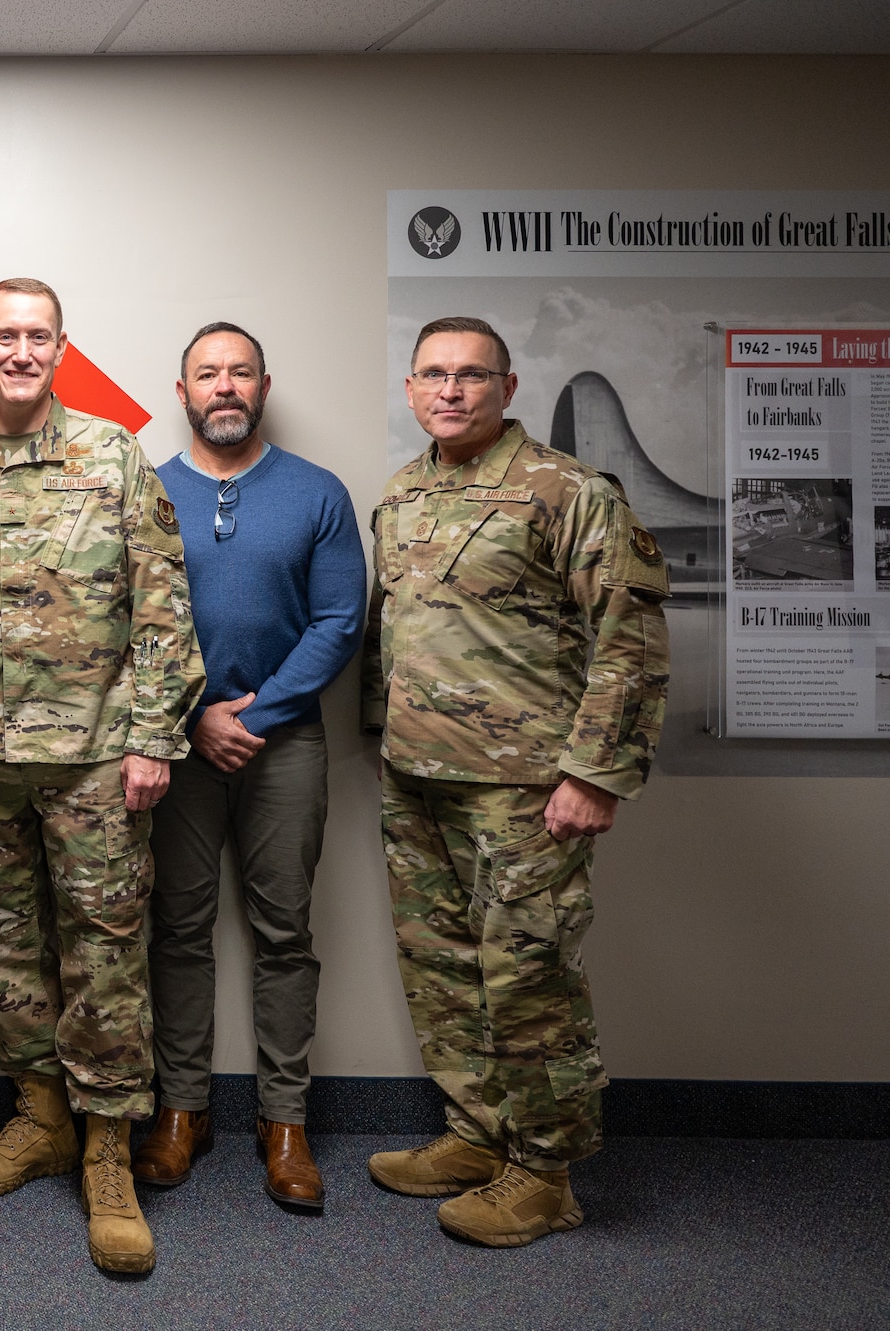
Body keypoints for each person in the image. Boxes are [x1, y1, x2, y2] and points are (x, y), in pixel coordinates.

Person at [0, 277, 204, 1275]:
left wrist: (153, 735)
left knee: (104, 953)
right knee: (1, 945)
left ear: (59, 346)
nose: (20, 351)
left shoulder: (110, 456)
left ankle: (107, 1146)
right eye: (4, 336)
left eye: (37, 336)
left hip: (93, 755)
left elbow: (161, 602)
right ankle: (41, 1116)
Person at [363, 316, 669, 1247]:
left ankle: (544, 1172)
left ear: (508, 387)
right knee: (444, 969)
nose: (450, 391)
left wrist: (596, 774)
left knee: (527, 976)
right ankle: (476, 1134)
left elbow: (631, 637)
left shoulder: (565, 490)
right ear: (412, 389)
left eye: (471, 375)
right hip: (417, 780)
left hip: (527, 791)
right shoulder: (404, 492)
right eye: (433, 375)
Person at [133, 323, 366, 1208]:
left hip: (286, 746)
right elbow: (126, 621)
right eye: (206, 373)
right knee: (178, 932)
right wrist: (195, 719)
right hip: (175, 747)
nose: (223, 386)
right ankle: (181, 1112)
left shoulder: (316, 492)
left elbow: (339, 620)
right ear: (182, 388)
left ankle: (285, 1122)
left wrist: (255, 714)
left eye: (239, 372)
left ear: (264, 385)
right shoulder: (145, 493)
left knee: (284, 934)